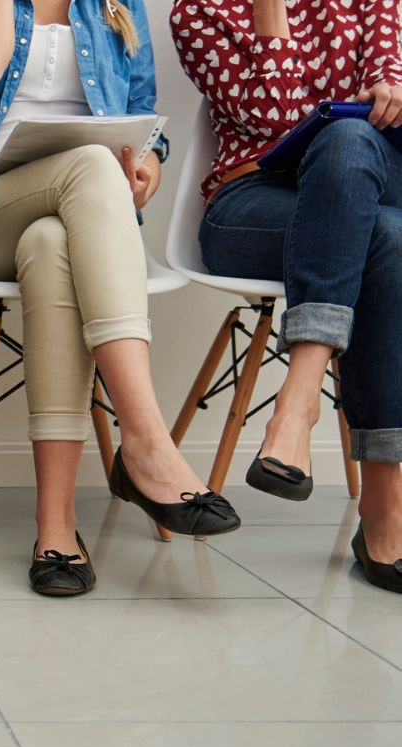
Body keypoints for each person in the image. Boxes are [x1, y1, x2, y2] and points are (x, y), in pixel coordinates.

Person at [0, 0, 241, 596]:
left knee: (50, 246)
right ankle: (146, 441)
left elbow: (144, 120)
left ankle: (57, 530)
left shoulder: (116, 5)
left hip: (74, 220)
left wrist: (147, 166)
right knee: (92, 166)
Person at [173, 0, 402, 593]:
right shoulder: (199, 11)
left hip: (365, 177)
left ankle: (296, 405)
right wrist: (268, 11)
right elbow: (276, 120)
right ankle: (385, 507)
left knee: (350, 142)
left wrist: (391, 93)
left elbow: (387, 80)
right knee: (385, 238)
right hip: (250, 204)